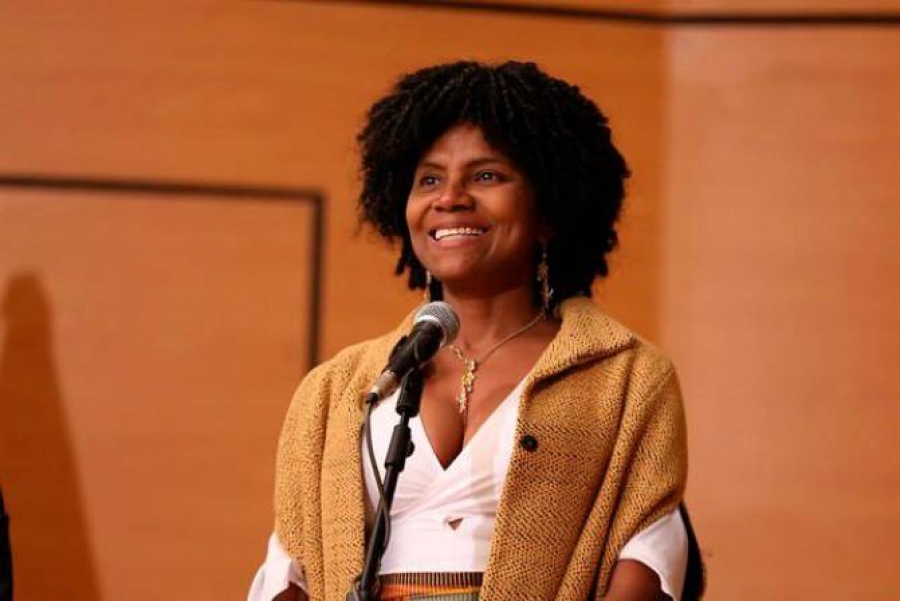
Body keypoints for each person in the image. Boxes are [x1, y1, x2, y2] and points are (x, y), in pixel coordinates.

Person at [249, 60, 698, 601]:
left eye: (486, 176)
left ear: (549, 211)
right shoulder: (337, 388)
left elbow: (647, 556)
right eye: (430, 179)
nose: (450, 197)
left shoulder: (628, 378)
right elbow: (289, 569)